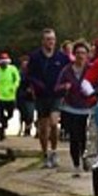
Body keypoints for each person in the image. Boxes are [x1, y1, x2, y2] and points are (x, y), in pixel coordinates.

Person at [26, 29, 71, 168]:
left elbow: (68, 72)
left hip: (57, 94)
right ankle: (45, 152)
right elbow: (29, 75)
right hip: (41, 95)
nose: (51, 42)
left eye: (53, 39)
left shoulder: (61, 57)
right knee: (43, 127)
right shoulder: (35, 57)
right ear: (43, 41)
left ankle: (54, 151)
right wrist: (34, 86)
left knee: (53, 121)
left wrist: (66, 85)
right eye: (48, 39)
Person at [55, 40, 94, 173]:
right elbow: (57, 87)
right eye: (78, 53)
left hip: (87, 108)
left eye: (83, 53)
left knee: (85, 137)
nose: (80, 56)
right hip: (70, 108)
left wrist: (91, 90)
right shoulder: (67, 70)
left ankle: (85, 159)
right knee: (74, 138)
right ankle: (76, 163)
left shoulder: (91, 69)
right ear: (74, 54)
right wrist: (64, 87)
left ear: (87, 55)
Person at [0, 52, 21, 134]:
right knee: (1, 113)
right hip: (0, 95)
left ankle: (5, 120)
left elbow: (17, 79)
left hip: (11, 95)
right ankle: (2, 126)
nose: (4, 64)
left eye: (5, 62)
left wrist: (14, 87)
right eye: (2, 62)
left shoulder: (12, 69)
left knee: (11, 113)